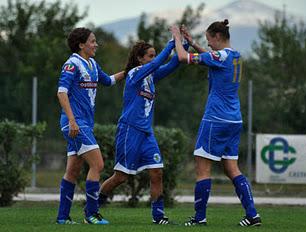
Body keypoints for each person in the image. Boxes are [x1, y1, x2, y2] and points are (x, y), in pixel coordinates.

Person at [170, 21, 262, 227]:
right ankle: (252, 215)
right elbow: (213, 58)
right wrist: (193, 43)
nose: (208, 44)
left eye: (209, 39)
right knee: (232, 169)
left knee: (202, 168)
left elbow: (182, 58)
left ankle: (199, 218)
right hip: (234, 120)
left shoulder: (219, 56)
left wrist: (177, 36)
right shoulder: (236, 56)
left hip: (216, 119)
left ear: (218, 36)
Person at [98, 39, 188, 224]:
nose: (154, 59)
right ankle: (92, 208)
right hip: (129, 130)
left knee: (157, 172)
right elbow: (158, 63)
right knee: (120, 177)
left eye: (155, 55)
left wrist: (183, 44)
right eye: (150, 55)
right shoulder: (134, 73)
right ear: (140, 59)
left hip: (146, 133)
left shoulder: (151, 77)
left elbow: (173, 64)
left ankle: (158, 216)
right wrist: (171, 43)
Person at [56, 27, 124, 225]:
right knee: (98, 164)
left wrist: (130, 69)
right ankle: (91, 214)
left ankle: (62, 218)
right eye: (93, 41)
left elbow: (109, 81)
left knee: (73, 170)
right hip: (75, 124)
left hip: (82, 124)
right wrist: (72, 120)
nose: (96, 44)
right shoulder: (72, 64)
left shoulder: (92, 63)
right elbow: (61, 93)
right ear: (81, 45)